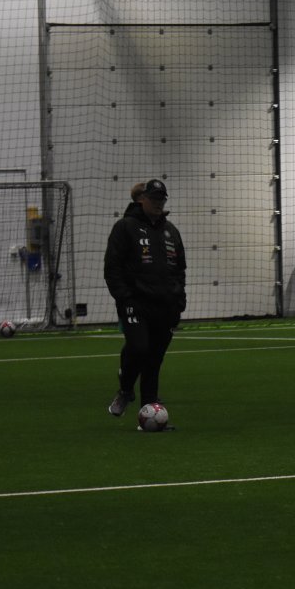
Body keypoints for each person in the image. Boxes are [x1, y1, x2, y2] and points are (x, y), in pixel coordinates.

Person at [104, 178, 186, 420]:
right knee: (139, 347)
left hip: (166, 306)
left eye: (162, 199)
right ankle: (125, 390)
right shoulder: (125, 227)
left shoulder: (171, 231)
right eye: (154, 199)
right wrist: (125, 298)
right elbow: (112, 268)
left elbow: (180, 269)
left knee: (155, 358)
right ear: (142, 200)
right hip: (136, 303)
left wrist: (179, 300)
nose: (158, 203)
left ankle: (149, 408)